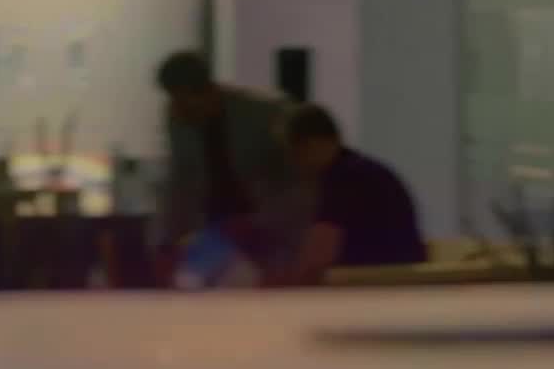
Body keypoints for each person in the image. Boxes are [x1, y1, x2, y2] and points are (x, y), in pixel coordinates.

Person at [153, 51, 308, 280]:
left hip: (271, 231)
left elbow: (301, 182)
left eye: (183, 103)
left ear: (206, 92)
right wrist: (165, 241)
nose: (177, 111)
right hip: (217, 232)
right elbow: (180, 181)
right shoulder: (178, 120)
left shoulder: (267, 113)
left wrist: (259, 220)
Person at [265, 104, 427, 287]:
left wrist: (280, 284)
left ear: (314, 144)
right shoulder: (361, 170)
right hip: (396, 280)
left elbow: (319, 255)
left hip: (380, 285)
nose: (294, 162)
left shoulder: (345, 178)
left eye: (295, 152)